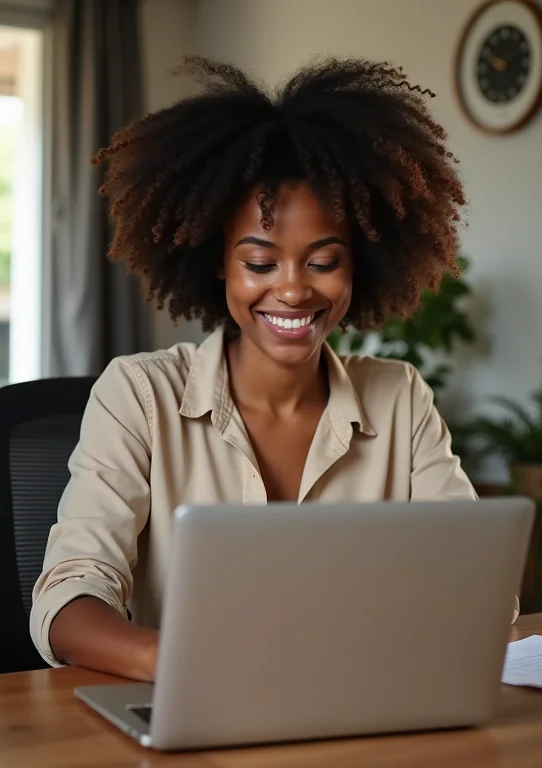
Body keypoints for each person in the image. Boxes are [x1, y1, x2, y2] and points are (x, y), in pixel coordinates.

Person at [31, 55, 514, 682]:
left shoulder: (400, 399)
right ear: (217, 263)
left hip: (360, 703)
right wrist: (177, 661)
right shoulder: (139, 394)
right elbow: (70, 596)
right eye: (260, 264)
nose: (292, 291)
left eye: (322, 262)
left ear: (359, 265)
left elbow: (477, 584)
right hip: (191, 705)